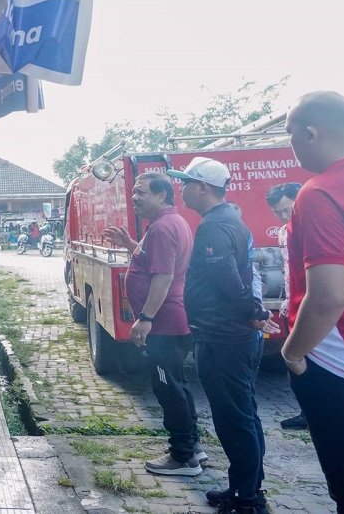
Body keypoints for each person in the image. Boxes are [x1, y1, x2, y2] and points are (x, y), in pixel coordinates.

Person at [281, 91, 344, 513]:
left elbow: (329, 295)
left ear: (311, 132)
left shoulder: (319, 193)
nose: (291, 144)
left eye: (290, 135)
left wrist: (293, 351)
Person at [167, 156, 276, 514]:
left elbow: (228, 281)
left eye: (186, 183)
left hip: (225, 337)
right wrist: (254, 314)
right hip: (229, 334)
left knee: (235, 419)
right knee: (243, 415)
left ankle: (248, 499)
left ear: (203, 188)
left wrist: (254, 314)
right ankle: (245, 488)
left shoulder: (214, 226)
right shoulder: (228, 219)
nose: (181, 189)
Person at [103, 173, 202, 476]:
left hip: (164, 324)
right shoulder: (170, 223)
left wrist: (145, 319)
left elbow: (163, 276)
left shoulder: (162, 228)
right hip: (172, 322)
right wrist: (130, 243)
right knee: (178, 385)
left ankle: (183, 456)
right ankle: (194, 446)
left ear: (162, 196)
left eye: (141, 192)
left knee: (168, 388)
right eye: (134, 192)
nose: (134, 197)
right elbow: (153, 261)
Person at [265, 182, 307, 431]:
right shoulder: (283, 232)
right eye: (276, 212)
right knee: (293, 365)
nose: (282, 216)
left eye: (285, 209)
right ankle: (306, 412)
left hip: (308, 307)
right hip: (290, 305)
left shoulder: (315, 228)